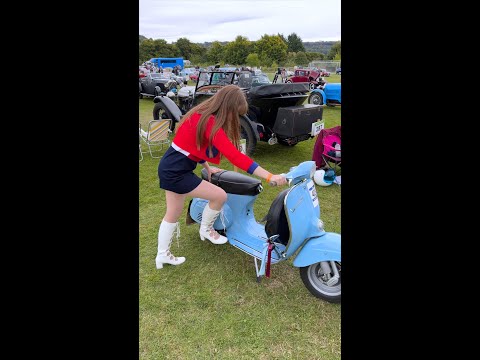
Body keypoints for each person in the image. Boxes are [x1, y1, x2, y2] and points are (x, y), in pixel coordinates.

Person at [155, 84, 287, 269]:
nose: (236, 118)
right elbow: (236, 157)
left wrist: (207, 168)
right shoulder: (210, 123)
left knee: (172, 214)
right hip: (176, 172)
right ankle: (206, 229)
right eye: (236, 113)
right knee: (219, 196)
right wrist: (269, 175)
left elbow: (192, 146)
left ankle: (162, 255)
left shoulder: (200, 114)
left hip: (171, 167)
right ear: (228, 108)